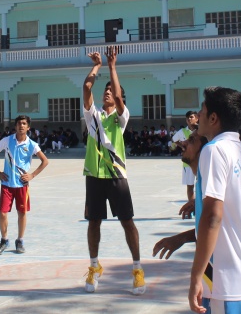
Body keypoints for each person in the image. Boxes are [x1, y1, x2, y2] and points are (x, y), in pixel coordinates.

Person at [153, 123, 241, 314]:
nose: (183, 143)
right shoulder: (207, 181)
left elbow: (215, 222)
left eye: (191, 140)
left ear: (204, 150)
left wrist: (183, 241)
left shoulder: (214, 157)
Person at [188, 87, 241, 313]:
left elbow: (213, 216)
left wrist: (196, 276)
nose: (198, 116)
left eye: (202, 111)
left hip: (226, 281)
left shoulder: (213, 151)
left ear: (213, 118)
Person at [82, 45, 145, 295]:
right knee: (93, 222)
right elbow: (86, 88)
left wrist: (112, 66)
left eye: (111, 89)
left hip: (117, 175)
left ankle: (137, 269)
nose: (108, 92)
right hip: (94, 176)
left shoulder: (121, 117)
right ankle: (94, 266)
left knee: (127, 222)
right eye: (105, 90)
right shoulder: (93, 116)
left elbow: (119, 98)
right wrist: (96, 66)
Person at [0, 115, 49, 255]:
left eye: (24, 123)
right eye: (19, 123)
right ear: (15, 126)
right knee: (2, 213)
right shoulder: (7, 141)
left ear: (28, 127)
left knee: (22, 213)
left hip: (22, 185)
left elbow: (45, 161)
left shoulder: (32, 145)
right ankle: (4, 240)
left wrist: (32, 175)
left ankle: (20, 240)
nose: (21, 126)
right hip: (7, 184)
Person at [171, 110, 198, 218]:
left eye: (191, 117)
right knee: (190, 186)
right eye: (187, 118)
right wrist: (182, 146)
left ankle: (200, 207)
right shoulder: (182, 131)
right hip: (188, 164)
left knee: (202, 186)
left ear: (197, 118)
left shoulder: (201, 130)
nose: (189, 119)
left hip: (200, 162)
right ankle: (192, 207)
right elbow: (174, 139)